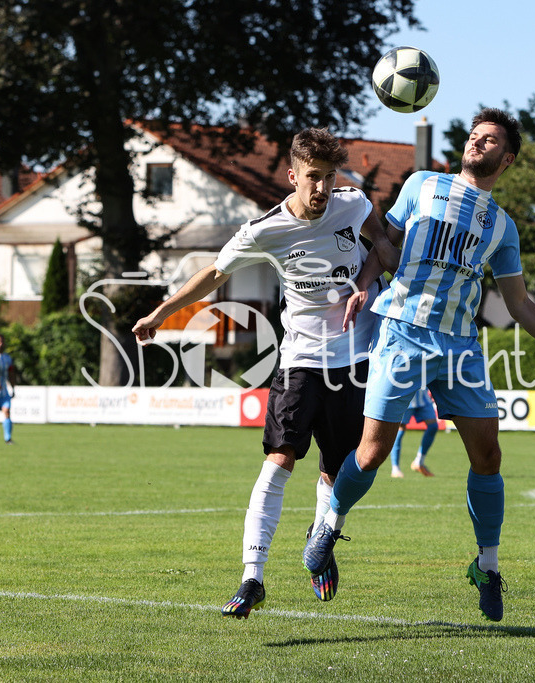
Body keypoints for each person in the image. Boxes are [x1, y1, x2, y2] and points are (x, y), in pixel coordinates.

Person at [302, 107, 535, 623]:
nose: (478, 142)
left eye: (490, 139)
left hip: (460, 349)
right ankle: (327, 525)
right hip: (403, 333)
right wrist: (364, 285)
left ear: (508, 158)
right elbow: (384, 242)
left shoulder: (503, 227)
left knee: (489, 456)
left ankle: (488, 566)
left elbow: (518, 303)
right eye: (475, 135)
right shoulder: (421, 184)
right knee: (369, 454)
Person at [132, 128, 397, 619]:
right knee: (279, 458)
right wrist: (161, 313)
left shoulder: (354, 204)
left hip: (355, 360)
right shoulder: (265, 229)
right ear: (293, 176)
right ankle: (251, 577)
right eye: (312, 178)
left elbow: (384, 249)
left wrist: (368, 282)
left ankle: (322, 543)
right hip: (299, 360)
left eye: (329, 177)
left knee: (336, 471)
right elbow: (215, 273)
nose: (321, 188)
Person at [389, 387, 439, 478]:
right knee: (400, 429)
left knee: (433, 426)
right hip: (406, 397)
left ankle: (419, 461)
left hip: (423, 397)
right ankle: (395, 467)